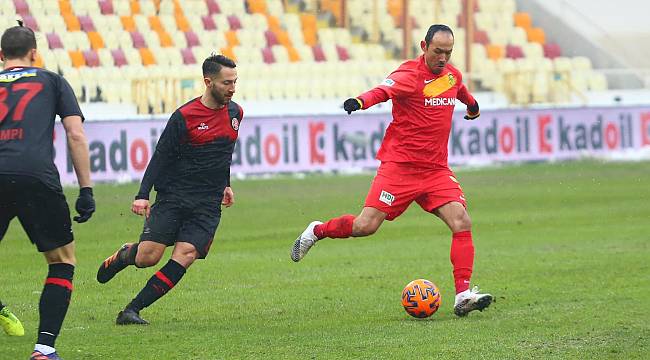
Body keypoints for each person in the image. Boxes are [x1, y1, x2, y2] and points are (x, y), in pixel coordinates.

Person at [291, 24, 492, 317]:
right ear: (424, 46)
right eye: (438, 52)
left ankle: (462, 294)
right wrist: (360, 101)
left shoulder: (451, 75)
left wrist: (473, 107)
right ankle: (317, 230)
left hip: (435, 170)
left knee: (461, 221)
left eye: (448, 53)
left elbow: (460, 91)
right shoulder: (409, 75)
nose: (443, 58)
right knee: (365, 226)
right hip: (399, 168)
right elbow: (383, 91)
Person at [96, 54, 243, 325]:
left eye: (235, 82)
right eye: (226, 83)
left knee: (185, 254)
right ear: (208, 82)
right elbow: (160, 157)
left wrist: (226, 184)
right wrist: (142, 195)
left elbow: (224, 153)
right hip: (175, 196)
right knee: (148, 257)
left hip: (208, 203)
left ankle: (131, 310)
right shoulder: (184, 117)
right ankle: (126, 254)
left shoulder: (236, 113)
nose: (233, 88)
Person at [0, 22, 95, 360]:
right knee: (61, 260)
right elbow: (75, 134)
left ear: (1, 56)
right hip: (35, 175)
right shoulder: (52, 80)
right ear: (34, 55)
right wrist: (86, 188)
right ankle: (44, 349)